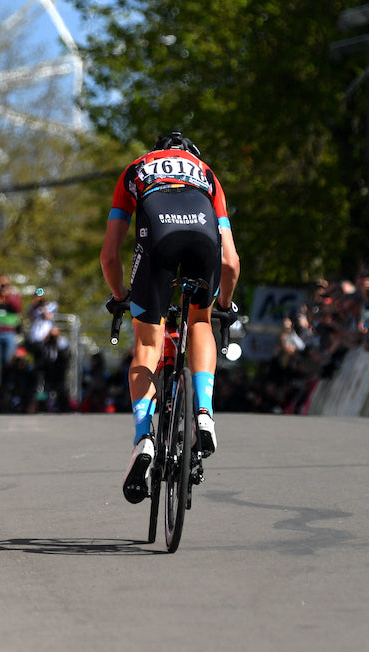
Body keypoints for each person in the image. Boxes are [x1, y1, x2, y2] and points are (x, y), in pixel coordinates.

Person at [100, 130, 240, 503]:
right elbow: (230, 261)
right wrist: (223, 306)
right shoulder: (207, 173)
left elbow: (109, 256)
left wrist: (120, 297)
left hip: (158, 239)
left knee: (147, 345)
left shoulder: (137, 168)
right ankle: (205, 412)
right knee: (199, 323)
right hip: (203, 240)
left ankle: (144, 437)